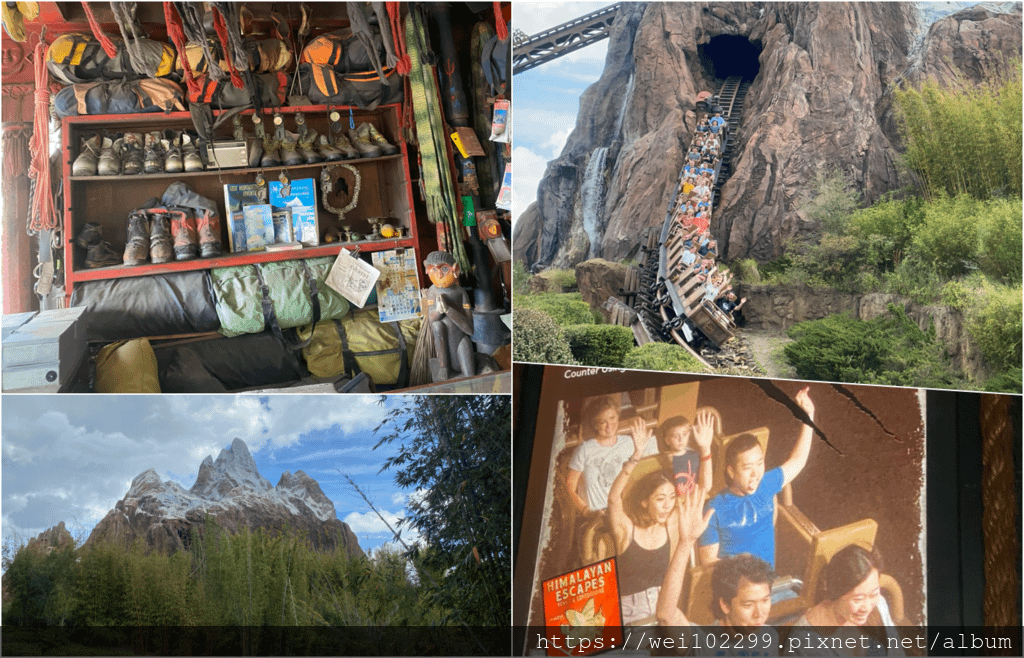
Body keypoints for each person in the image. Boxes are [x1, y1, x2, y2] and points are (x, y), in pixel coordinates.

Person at [699, 388, 816, 569]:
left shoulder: (767, 484)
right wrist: (740, 564)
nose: (756, 473)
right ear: (731, 471)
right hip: (738, 589)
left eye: (760, 464)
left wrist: (808, 416)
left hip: (768, 584)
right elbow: (707, 561)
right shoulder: (715, 508)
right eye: (747, 468)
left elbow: (798, 460)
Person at [657, 487, 780, 655]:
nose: (759, 614)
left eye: (765, 601)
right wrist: (686, 542)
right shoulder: (704, 642)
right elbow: (666, 615)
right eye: (748, 604)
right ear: (725, 605)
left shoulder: (769, 636)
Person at [607, 416, 680, 625]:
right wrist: (636, 455)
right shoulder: (627, 531)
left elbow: (696, 491)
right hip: (628, 615)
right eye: (660, 498)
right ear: (644, 502)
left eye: (672, 497)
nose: (668, 505)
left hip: (663, 609)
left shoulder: (671, 525)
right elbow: (613, 499)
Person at [787, 545, 905, 656]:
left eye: (874, 594)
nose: (867, 607)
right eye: (858, 599)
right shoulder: (803, 642)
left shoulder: (879, 604)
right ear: (836, 593)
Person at [565, 396, 657, 513]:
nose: (609, 425)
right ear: (595, 425)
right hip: (594, 517)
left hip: (624, 513)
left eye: (612, 417)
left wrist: (640, 449)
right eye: (602, 422)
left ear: (618, 416)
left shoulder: (629, 442)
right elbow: (569, 487)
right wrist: (586, 512)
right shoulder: (584, 450)